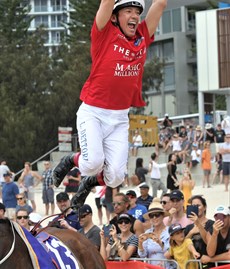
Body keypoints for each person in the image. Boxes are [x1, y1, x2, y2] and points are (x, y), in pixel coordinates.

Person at [52, 0, 168, 210]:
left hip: (120, 118)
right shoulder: (104, 33)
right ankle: (72, 159)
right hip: (94, 112)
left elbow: (160, 3)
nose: (134, 16)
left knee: (115, 178)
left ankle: (90, 183)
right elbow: (107, 2)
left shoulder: (142, 36)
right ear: (115, 17)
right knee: (92, 163)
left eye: (137, 12)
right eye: (128, 11)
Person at [138, 198, 172, 268]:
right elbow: (142, 255)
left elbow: (171, 252)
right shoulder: (147, 232)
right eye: (151, 216)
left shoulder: (170, 231)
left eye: (157, 215)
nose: (154, 218)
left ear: (162, 216)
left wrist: (160, 243)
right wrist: (140, 243)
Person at [184, 195, 214, 269]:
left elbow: (210, 244)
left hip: (208, 264)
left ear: (205, 207)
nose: (196, 208)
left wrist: (199, 225)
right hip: (192, 265)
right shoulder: (189, 227)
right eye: (193, 206)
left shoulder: (212, 224)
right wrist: (191, 233)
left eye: (198, 205)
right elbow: (182, 246)